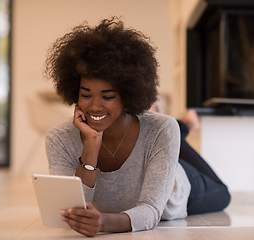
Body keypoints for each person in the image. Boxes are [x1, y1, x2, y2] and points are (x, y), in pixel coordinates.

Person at [44, 17, 230, 237]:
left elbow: (152, 210)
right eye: (86, 95)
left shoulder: (160, 130)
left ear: (127, 95)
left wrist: (105, 223)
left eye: (108, 96)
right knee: (164, 127)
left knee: (222, 195)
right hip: (153, 134)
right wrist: (91, 145)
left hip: (176, 191)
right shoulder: (59, 138)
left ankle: (181, 127)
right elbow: (75, 211)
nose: (94, 106)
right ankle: (179, 125)